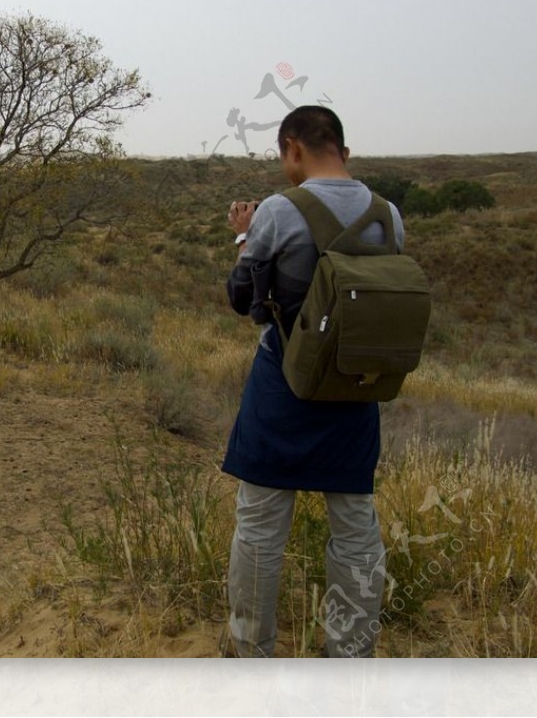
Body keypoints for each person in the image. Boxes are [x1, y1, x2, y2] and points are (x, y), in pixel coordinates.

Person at [221, 105, 404, 658]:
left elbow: (242, 299)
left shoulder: (279, 210)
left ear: (293, 148)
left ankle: (251, 649)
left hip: (286, 383)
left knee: (259, 522)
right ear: (343, 151)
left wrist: (244, 238)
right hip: (357, 388)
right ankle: (349, 654)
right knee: (354, 523)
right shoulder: (388, 215)